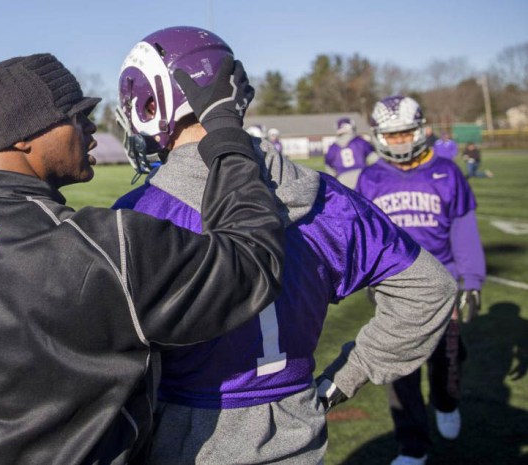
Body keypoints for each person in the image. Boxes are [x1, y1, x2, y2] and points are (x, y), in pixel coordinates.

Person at [0, 53, 287, 464]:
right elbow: (251, 260)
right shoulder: (99, 247)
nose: (92, 128)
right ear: (23, 137)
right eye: (77, 116)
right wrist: (224, 129)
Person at [113, 26, 456, 465]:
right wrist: (344, 377)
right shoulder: (326, 197)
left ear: (151, 103)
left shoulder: (140, 213)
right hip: (297, 431)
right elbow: (430, 288)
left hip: (188, 439)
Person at [356, 95, 487, 465]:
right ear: (379, 136)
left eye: (404, 134)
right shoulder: (371, 177)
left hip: (444, 283)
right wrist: (368, 278)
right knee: (401, 369)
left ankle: (446, 402)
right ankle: (412, 445)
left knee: (448, 360)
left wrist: (472, 282)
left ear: (421, 130)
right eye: (391, 135)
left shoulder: (447, 172)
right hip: (395, 289)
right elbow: (365, 235)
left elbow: (464, 230)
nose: (398, 142)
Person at [324, 116, 376, 189]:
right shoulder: (361, 142)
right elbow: (375, 162)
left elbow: (330, 172)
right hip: (363, 179)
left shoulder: (332, 148)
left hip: (343, 182)